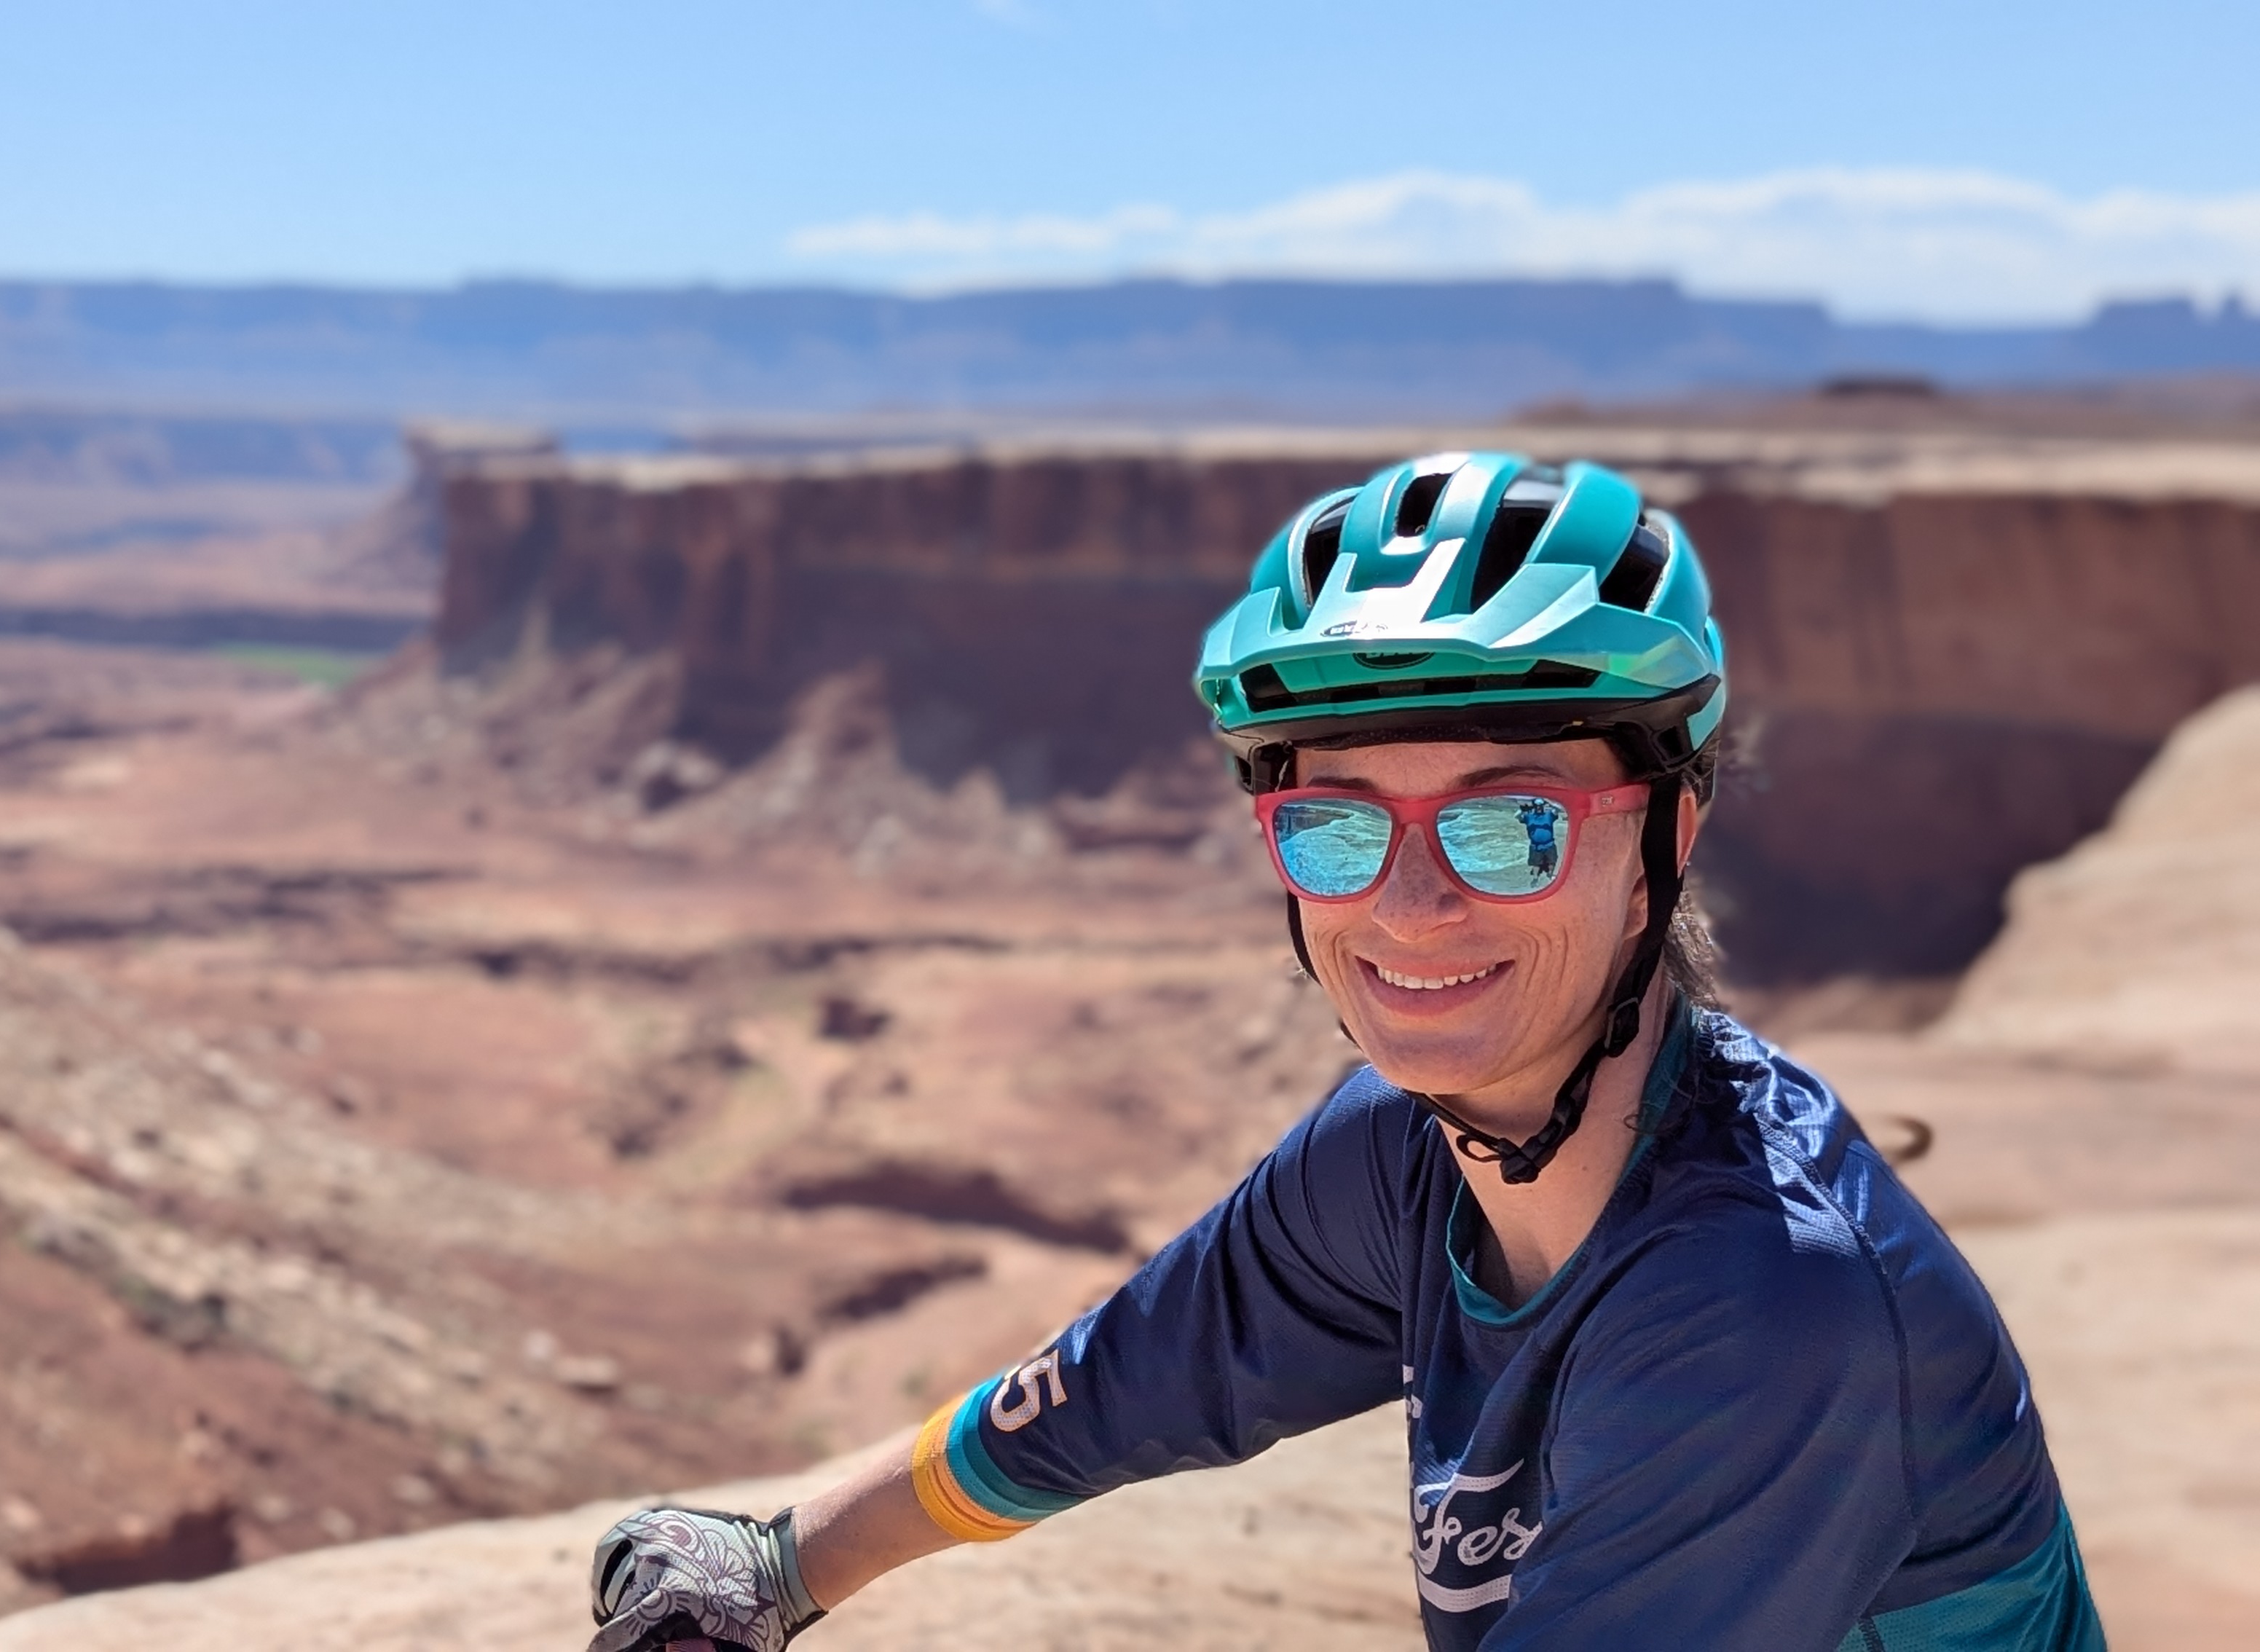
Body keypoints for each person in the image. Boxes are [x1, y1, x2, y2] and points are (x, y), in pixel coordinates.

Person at [585, 453, 2103, 1651]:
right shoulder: (1401, 1147)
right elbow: (1110, 1391)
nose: (1412, 905)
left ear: (1670, 833)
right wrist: (780, 1565)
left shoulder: (1771, 1315)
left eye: (1509, 826)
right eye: (1335, 825)